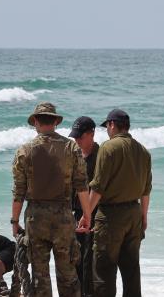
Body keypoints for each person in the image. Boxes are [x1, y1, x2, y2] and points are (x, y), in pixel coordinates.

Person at [11, 102, 91, 297]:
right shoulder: (71, 147)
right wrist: (87, 215)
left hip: (35, 218)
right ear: (55, 121)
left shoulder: (24, 150)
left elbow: (18, 192)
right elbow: (81, 185)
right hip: (63, 216)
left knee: (40, 276)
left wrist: (14, 221)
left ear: (36, 121)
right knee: (68, 274)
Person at [85, 109, 152, 297]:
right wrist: (144, 217)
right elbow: (146, 191)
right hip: (134, 213)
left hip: (110, 216)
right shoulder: (143, 151)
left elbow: (97, 187)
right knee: (131, 270)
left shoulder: (108, 148)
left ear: (112, 124)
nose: (107, 130)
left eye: (107, 126)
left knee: (104, 270)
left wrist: (86, 215)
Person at [69, 116, 99, 297]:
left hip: (95, 213)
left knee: (90, 261)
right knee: (76, 259)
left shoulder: (101, 156)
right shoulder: (75, 155)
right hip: (76, 213)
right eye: (75, 137)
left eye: (81, 136)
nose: (77, 140)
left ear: (92, 134)